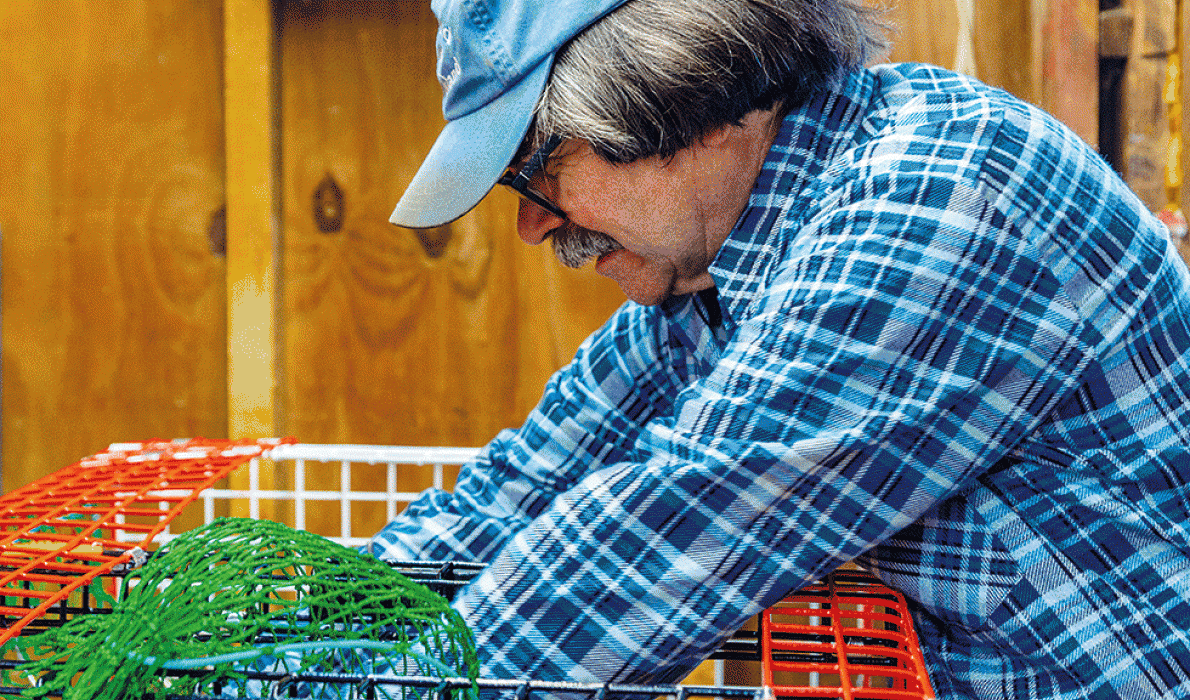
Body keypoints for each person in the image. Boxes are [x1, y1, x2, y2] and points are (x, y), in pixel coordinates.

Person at [367, 0, 1190, 697]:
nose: (532, 222)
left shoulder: (938, 192)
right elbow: (524, 493)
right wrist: (309, 626)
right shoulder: (720, 264)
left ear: (679, 93)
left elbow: (659, 539)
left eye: (534, 168)